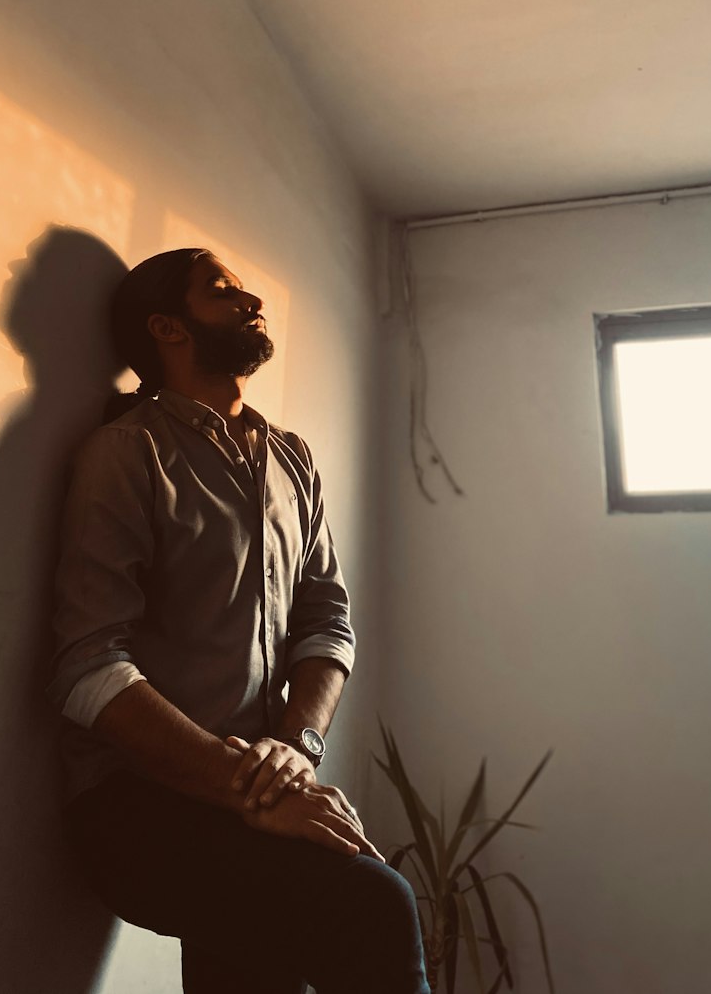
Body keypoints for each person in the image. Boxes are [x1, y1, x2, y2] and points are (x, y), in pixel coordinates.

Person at [48, 247, 429, 994]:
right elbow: (87, 667)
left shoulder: (293, 459)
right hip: (136, 802)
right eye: (221, 290)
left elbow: (328, 622)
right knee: (380, 898)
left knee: (257, 972)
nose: (250, 296)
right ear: (168, 327)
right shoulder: (127, 453)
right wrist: (249, 788)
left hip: (252, 786)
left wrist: (297, 746)